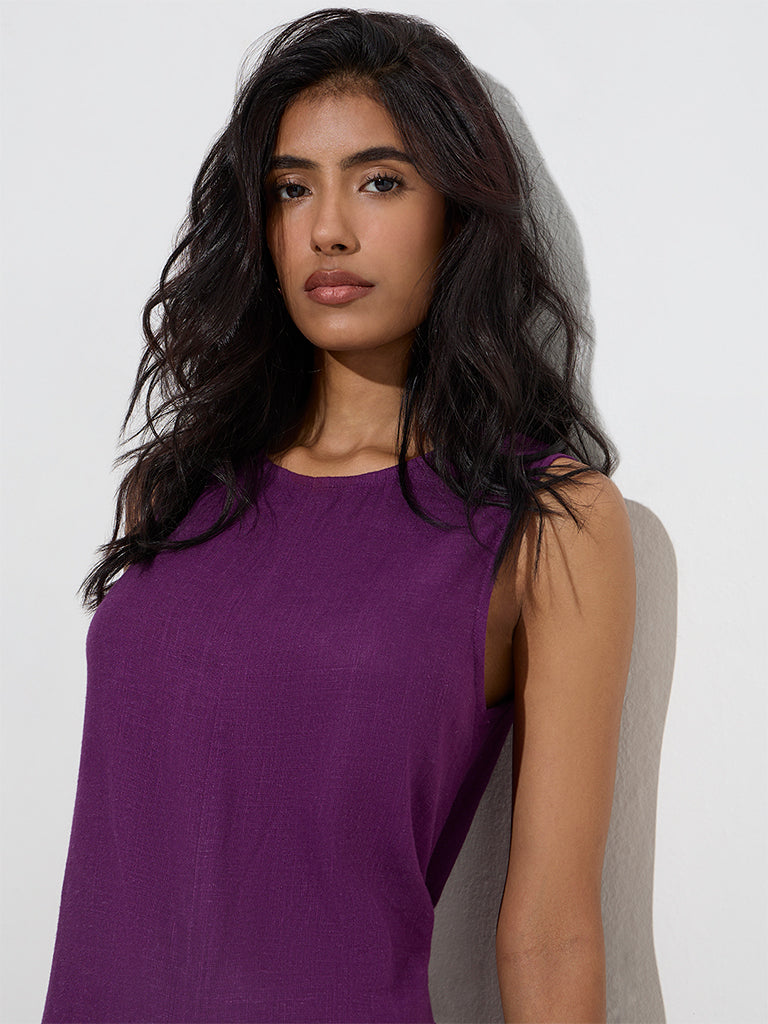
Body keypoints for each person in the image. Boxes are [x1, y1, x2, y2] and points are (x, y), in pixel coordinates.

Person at [41, 8, 636, 1024]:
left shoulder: (546, 523)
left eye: (380, 182)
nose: (328, 229)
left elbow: (551, 933)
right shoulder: (177, 491)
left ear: (457, 213)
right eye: (291, 187)